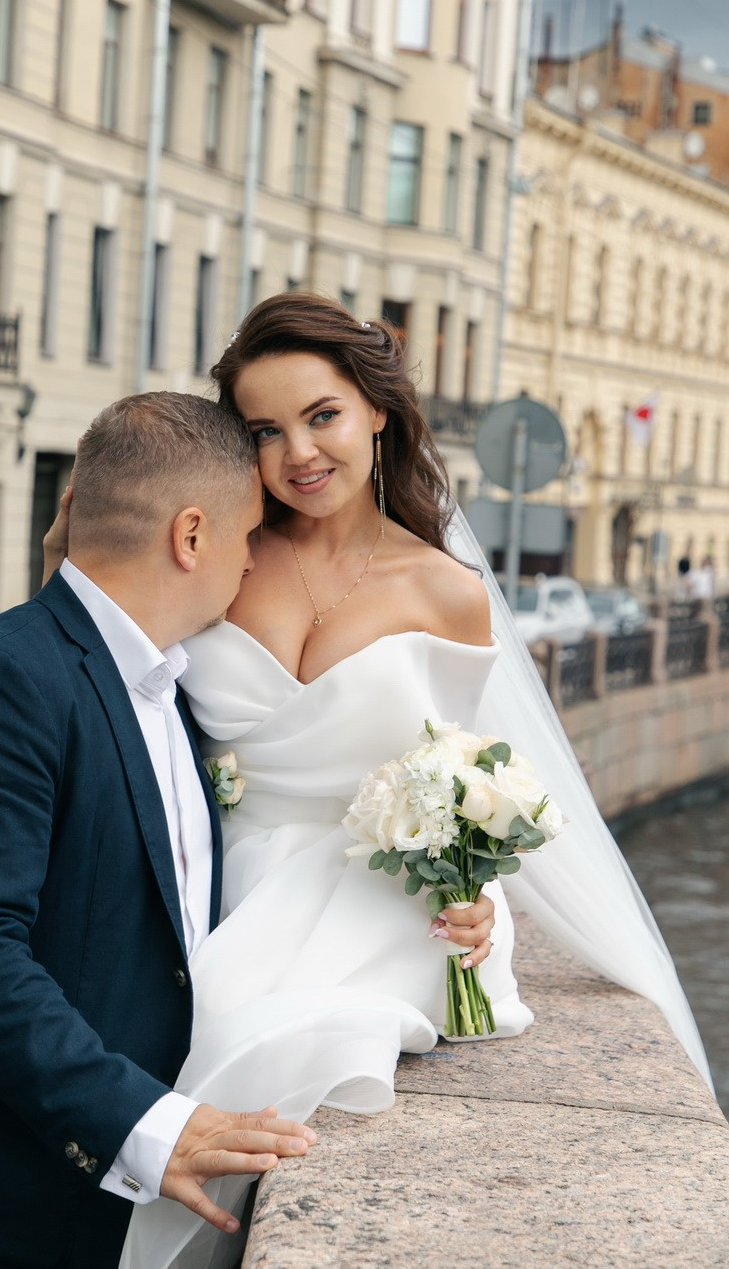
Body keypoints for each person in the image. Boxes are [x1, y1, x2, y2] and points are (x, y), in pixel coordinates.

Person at [43, 294, 711, 1269]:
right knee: (174, 1038)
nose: (298, 453)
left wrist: (476, 892)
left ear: (376, 413)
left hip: (373, 899)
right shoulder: (219, 555)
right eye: (265, 431)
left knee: (256, 1037)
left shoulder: (446, 592)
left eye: (322, 416)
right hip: (209, 878)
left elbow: (467, 779)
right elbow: (109, 675)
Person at [0, 393, 321, 1269]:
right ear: (191, 536)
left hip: (100, 1221)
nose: (251, 566)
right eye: (247, 537)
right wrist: (148, 1125)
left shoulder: (182, 690)